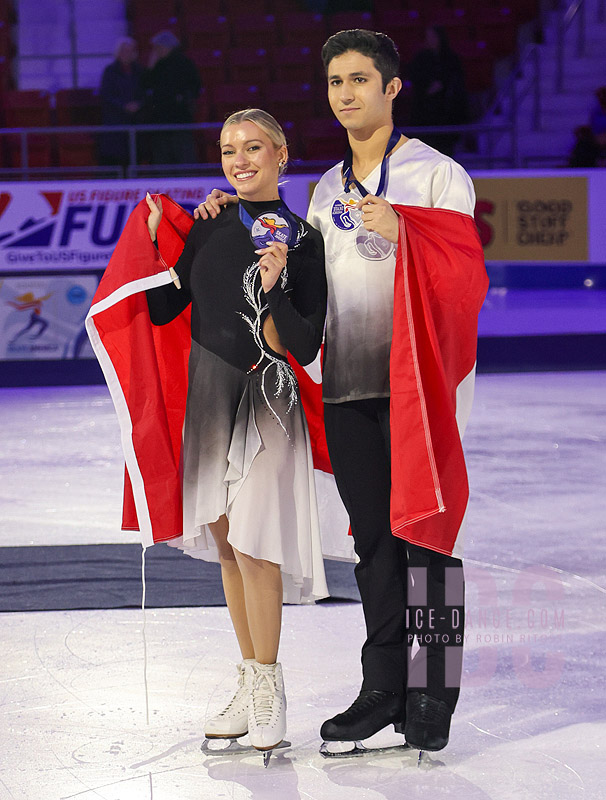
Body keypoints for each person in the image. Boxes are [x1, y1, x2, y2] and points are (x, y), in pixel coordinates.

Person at [195, 29, 487, 754]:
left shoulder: (435, 175)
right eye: (335, 83)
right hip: (350, 389)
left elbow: (467, 276)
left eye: (359, 80)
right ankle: (383, 690)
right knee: (375, 548)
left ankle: (434, 694)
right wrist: (217, 216)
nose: (346, 94)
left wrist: (410, 232)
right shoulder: (326, 191)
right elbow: (302, 283)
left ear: (391, 88)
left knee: (430, 544)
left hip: (421, 393)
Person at [144, 108, 328, 755]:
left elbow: (302, 347)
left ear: (282, 153)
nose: (239, 159)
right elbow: (166, 306)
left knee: (257, 545)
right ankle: (249, 680)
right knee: (226, 545)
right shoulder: (210, 226)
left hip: (268, 398)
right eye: (228, 150)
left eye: (253, 148)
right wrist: (156, 243)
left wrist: (275, 287)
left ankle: (271, 686)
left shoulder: (304, 240)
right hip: (209, 392)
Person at [407, 25, 468, 157]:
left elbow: (457, 83)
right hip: (425, 113)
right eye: (428, 37)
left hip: (446, 113)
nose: (430, 40)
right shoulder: (420, 59)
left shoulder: (451, 59)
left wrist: (443, 85)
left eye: (433, 37)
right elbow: (415, 80)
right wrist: (426, 88)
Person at [142, 30, 201, 165]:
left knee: (182, 157)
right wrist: (150, 67)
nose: (155, 51)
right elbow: (144, 85)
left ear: (166, 47)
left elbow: (194, 87)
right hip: (161, 121)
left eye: (158, 48)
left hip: (179, 120)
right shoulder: (157, 65)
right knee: (163, 158)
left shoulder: (183, 64)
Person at [98, 37, 145, 170]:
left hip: (136, 121)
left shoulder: (140, 71)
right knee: (117, 157)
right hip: (116, 122)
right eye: (124, 51)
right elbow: (106, 94)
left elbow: (145, 93)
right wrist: (123, 106)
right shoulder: (110, 71)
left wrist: (138, 104)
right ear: (118, 53)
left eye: (130, 51)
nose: (127, 54)